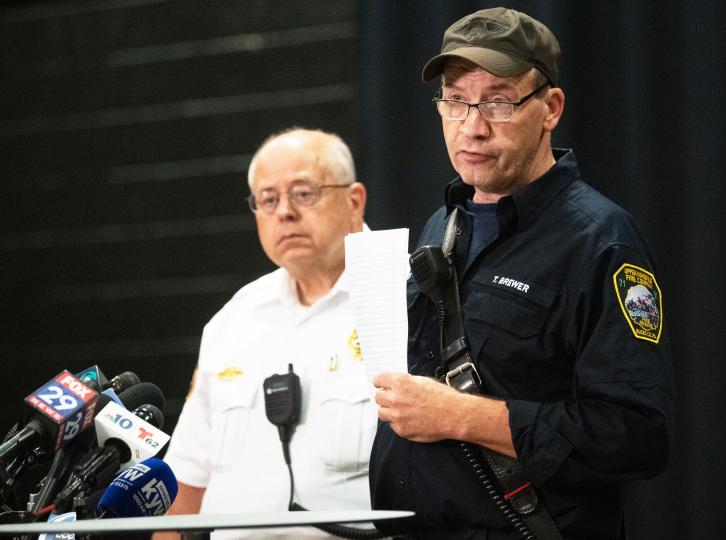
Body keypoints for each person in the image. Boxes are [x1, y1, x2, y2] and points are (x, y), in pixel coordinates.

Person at [369, 7, 676, 539]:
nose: (472, 126)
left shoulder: (600, 241)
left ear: (550, 107)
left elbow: (635, 435)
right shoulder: (441, 227)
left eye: (498, 101)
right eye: (456, 99)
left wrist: (461, 416)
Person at [156, 128, 374, 539]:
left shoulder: (406, 297)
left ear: (354, 201)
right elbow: (184, 485)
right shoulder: (234, 320)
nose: (284, 212)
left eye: (304, 193)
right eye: (268, 200)